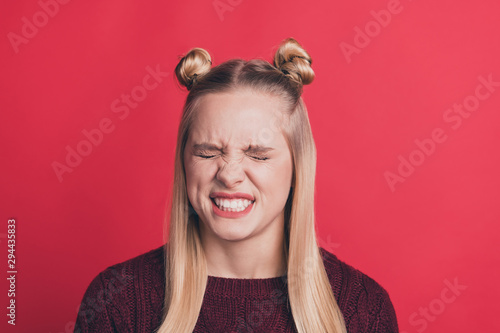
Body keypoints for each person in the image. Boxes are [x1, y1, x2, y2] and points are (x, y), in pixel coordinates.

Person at [74, 37, 399, 333]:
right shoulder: (115, 300)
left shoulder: (362, 308)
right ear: (184, 163)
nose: (229, 175)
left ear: (298, 168)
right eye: (207, 152)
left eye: (257, 155)